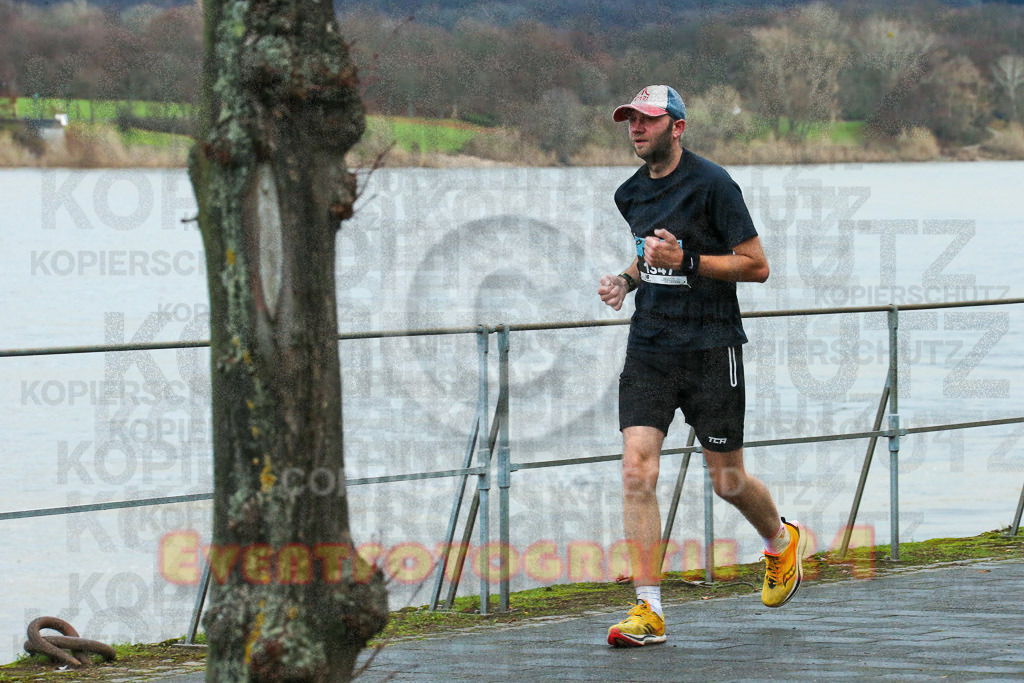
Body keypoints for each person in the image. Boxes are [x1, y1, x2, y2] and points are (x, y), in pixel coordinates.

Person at [598, 85, 807, 647]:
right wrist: (626, 279)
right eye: (630, 121)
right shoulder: (629, 194)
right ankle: (649, 609)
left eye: (647, 120)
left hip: (712, 349)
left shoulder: (714, 184)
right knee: (636, 470)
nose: (636, 129)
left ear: (678, 127)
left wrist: (685, 259)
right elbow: (650, 255)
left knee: (728, 480)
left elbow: (757, 266)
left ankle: (781, 540)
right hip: (650, 348)